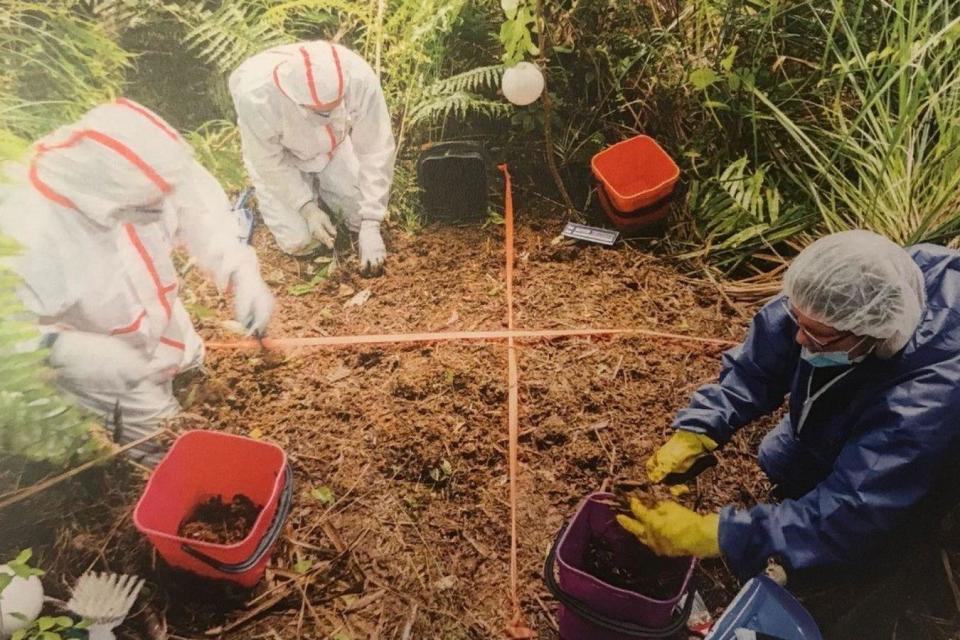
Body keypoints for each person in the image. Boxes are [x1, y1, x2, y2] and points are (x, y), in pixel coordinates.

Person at [618, 231, 960, 628]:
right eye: (799, 319)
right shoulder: (859, 286)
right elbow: (761, 362)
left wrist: (719, 534)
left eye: (816, 334)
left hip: (919, 464)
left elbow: (854, 507)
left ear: (875, 333)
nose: (800, 337)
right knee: (783, 460)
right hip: (866, 405)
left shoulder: (924, 400)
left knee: (869, 545)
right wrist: (701, 427)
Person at [0, 98, 275, 464]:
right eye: (149, 205)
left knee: (186, 354)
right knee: (165, 442)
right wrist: (65, 351)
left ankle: (184, 372)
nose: (163, 212)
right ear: (104, 197)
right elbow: (11, 334)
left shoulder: (150, 162)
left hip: (160, 316)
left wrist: (241, 271)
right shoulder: (23, 227)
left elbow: (201, 216)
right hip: (103, 358)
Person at [229, 40, 395, 275]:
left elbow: (376, 147)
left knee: (360, 216)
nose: (326, 115)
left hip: (334, 148)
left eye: (334, 107)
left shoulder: (359, 77)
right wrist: (306, 208)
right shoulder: (256, 97)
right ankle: (303, 198)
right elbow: (267, 161)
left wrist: (371, 223)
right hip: (283, 160)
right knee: (300, 241)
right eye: (319, 112)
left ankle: (327, 189)